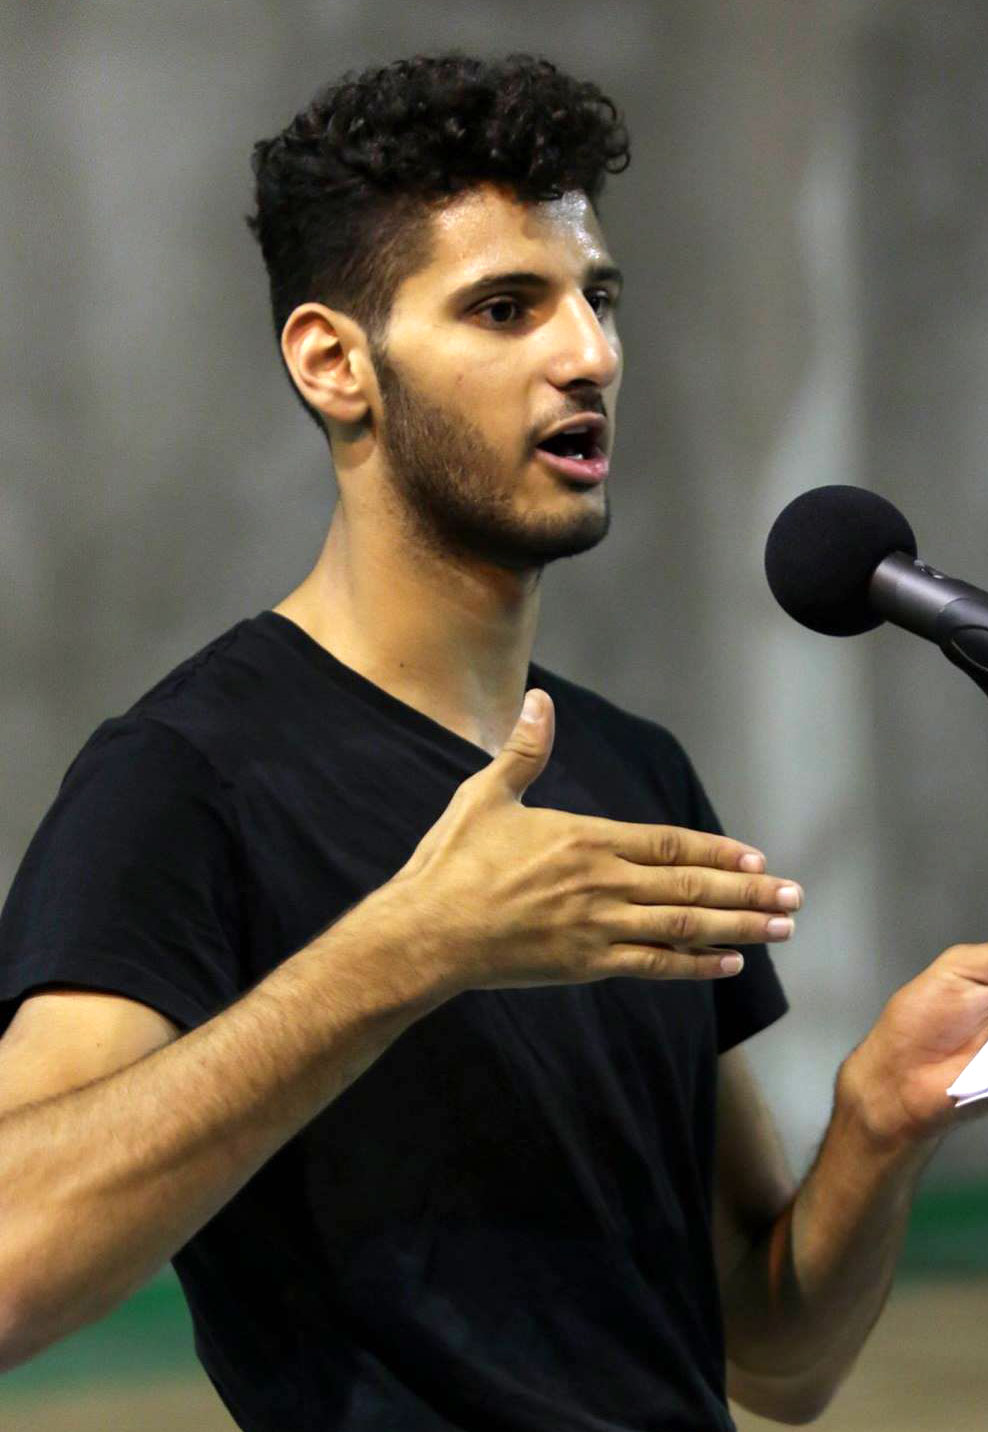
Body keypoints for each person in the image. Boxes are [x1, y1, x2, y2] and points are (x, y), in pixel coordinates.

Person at [0, 50, 984, 1432]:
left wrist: (881, 1120)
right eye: (507, 308)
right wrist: (408, 952)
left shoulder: (631, 770)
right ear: (335, 365)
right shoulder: (185, 781)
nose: (587, 352)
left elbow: (772, 1352)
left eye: (600, 298)